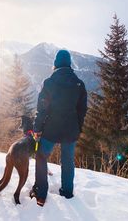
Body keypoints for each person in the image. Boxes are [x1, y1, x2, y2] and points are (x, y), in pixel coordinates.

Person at [30, 49, 87, 207]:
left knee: (41, 156)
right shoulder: (79, 84)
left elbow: (42, 109)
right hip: (71, 130)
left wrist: (37, 128)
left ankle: (41, 194)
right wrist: (78, 128)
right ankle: (67, 193)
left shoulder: (49, 83)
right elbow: (82, 110)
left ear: (55, 64)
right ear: (69, 64)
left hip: (50, 129)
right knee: (68, 161)